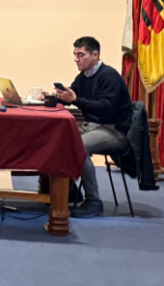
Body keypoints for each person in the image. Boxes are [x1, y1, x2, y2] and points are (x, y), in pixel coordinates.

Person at [45, 36, 133, 218]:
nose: (76, 59)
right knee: (53, 138)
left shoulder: (109, 76)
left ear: (95, 55)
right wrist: (53, 97)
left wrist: (75, 99)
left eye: (81, 55)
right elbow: (72, 95)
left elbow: (105, 108)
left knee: (79, 146)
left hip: (113, 130)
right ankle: (69, 190)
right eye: (75, 55)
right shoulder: (83, 76)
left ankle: (94, 201)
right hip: (93, 126)